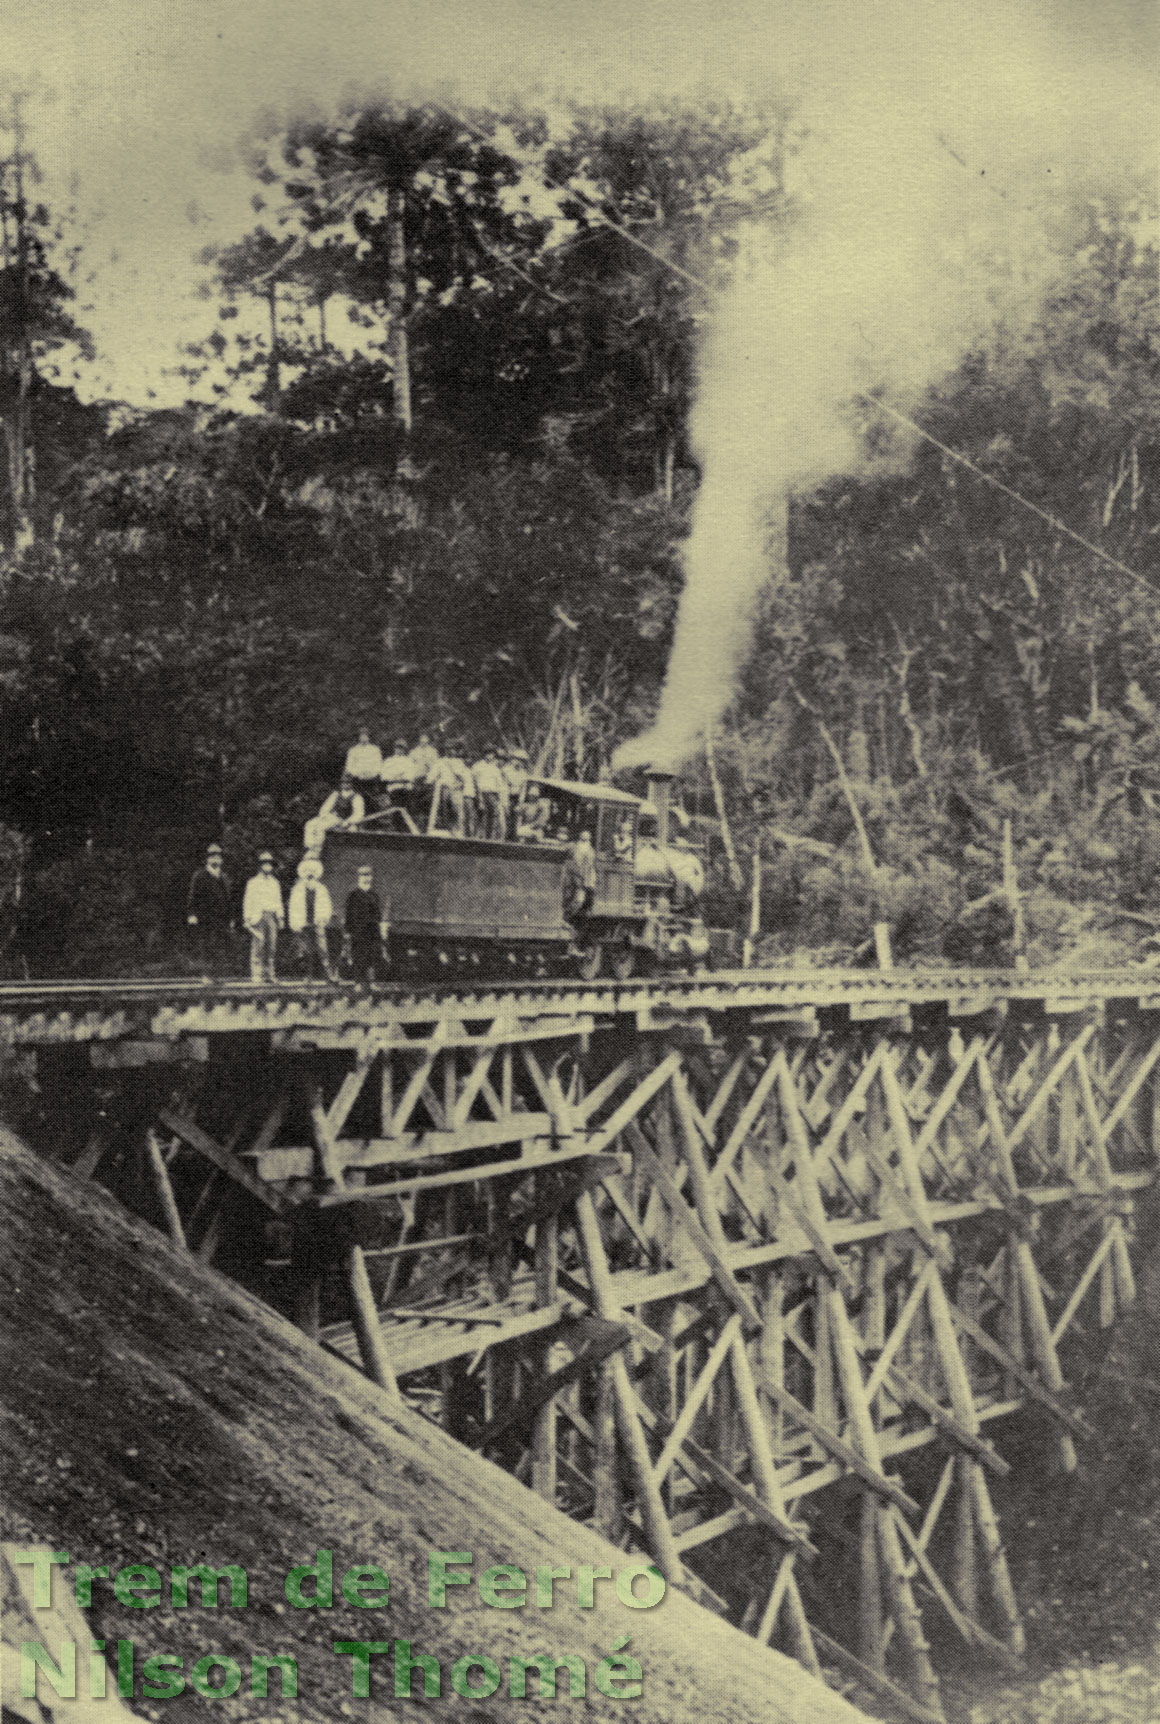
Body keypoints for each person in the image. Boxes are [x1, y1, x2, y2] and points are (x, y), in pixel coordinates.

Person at [185, 843, 233, 973]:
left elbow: (228, 899)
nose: (215, 860)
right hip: (205, 917)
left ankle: (216, 975)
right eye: (212, 857)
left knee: (219, 947)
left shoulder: (224, 877)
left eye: (218, 857)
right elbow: (192, 896)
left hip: (221, 918)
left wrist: (230, 918)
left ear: (221, 860)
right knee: (206, 946)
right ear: (207, 859)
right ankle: (206, 975)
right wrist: (192, 914)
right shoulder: (200, 876)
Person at [288, 857, 337, 981]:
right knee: (307, 952)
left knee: (323, 949)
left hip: (317, 923)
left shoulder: (321, 889)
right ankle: (308, 976)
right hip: (304, 924)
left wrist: (324, 919)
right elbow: (293, 907)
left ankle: (329, 975)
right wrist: (295, 923)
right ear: (304, 874)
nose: (310, 875)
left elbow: (327, 906)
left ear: (316, 874)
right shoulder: (297, 890)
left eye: (313, 872)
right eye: (307, 872)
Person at [243, 851, 284, 983]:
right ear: (260, 866)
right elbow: (247, 900)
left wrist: (281, 917)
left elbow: (278, 900)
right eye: (265, 864)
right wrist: (247, 918)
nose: (268, 867)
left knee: (271, 946)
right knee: (258, 945)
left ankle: (269, 974)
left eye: (270, 865)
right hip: (257, 915)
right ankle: (256, 974)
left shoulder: (275, 883)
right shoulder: (253, 882)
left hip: (271, 916)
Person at [345, 863, 389, 984]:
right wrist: (348, 932)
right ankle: (358, 982)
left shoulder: (374, 895)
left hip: (373, 932)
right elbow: (348, 915)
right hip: (358, 932)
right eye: (363, 876)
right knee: (359, 957)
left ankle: (372, 982)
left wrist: (381, 929)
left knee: (373, 957)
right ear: (359, 878)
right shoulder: (353, 895)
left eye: (368, 875)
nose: (366, 878)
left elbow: (378, 916)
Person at [304, 777, 365, 852]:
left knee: (321, 827)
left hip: (343, 820)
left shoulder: (356, 797)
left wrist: (349, 822)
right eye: (343, 782)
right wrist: (326, 816)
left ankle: (317, 849)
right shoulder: (336, 794)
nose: (345, 784)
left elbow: (359, 814)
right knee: (310, 824)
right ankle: (309, 848)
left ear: (351, 784)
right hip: (332, 818)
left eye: (347, 782)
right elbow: (325, 808)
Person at [472, 749, 507, 839]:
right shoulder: (478, 766)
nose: (490, 756)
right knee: (480, 815)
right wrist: (479, 798)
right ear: (484, 754)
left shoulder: (495, 768)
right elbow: (475, 782)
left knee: (492, 816)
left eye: (492, 754)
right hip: (481, 793)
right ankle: (478, 837)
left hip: (493, 795)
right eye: (488, 754)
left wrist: (499, 797)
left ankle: (489, 838)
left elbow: (499, 784)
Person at [429, 750, 466, 834]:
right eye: (449, 748)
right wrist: (433, 781)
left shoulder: (459, 762)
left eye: (453, 749)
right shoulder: (440, 762)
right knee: (444, 808)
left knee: (457, 812)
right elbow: (431, 777)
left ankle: (457, 831)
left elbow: (463, 779)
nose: (451, 751)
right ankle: (445, 828)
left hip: (456, 790)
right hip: (443, 788)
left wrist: (458, 785)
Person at [563, 829, 597, 919]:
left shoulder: (590, 850)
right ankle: (565, 917)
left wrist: (588, 879)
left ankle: (566, 917)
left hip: (582, 878)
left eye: (587, 837)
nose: (585, 838)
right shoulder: (573, 847)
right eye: (583, 836)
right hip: (572, 877)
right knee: (570, 898)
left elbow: (590, 865)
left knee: (579, 900)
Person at [409, 733, 440, 826]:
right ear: (419, 739)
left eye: (425, 738)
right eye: (422, 738)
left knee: (428, 802)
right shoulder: (414, 752)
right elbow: (410, 765)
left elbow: (436, 766)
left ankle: (428, 823)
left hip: (428, 779)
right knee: (416, 801)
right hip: (417, 779)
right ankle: (417, 823)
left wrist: (429, 765)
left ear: (428, 740)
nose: (423, 741)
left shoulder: (433, 752)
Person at [344, 729, 383, 804]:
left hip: (372, 780)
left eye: (365, 735)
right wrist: (358, 774)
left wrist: (372, 774)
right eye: (362, 735)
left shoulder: (375, 749)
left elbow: (378, 765)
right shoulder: (353, 750)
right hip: (358, 780)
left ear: (368, 737)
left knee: (372, 801)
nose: (364, 737)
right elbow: (349, 766)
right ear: (359, 737)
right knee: (358, 800)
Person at [379, 740, 415, 811]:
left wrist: (398, 776)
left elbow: (411, 776)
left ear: (404, 750)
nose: (399, 750)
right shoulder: (389, 761)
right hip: (393, 787)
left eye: (401, 748)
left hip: (406, 787)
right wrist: (397, 776)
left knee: (406, 807)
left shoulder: (409, 761)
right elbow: (384, 776)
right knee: (395, 808)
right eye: (397, 748)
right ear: (394, 748)